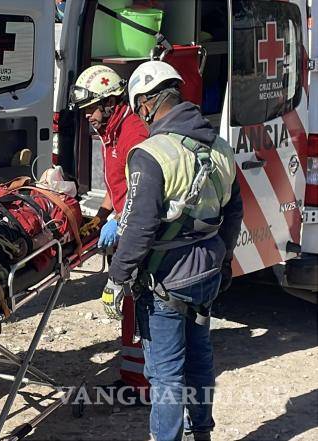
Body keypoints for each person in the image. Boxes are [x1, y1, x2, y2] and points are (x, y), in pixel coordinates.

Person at [106, 61, 243, 441]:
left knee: (165, 373)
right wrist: (225, 260)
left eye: (139, 108)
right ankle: (201, 433)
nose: (140, 117)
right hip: (207, 273)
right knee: (199, 359)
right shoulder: (220, 148)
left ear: (148, 102)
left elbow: (138, 228)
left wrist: (117, 278)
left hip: (167, 281)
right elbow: (234, 211)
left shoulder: (150, 154)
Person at [69, 65, 150, 401]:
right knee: (129, 310)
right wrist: (103, 215)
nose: (89, 117)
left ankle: (146, 384)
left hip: (140, 232)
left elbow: (141, 190)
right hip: (124, 224)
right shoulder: (111, 133)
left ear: (112, 102)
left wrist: (121, 220)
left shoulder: (134, 134)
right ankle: (133, 379)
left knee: (141, 309)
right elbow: (116, 185)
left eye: (92, 109)